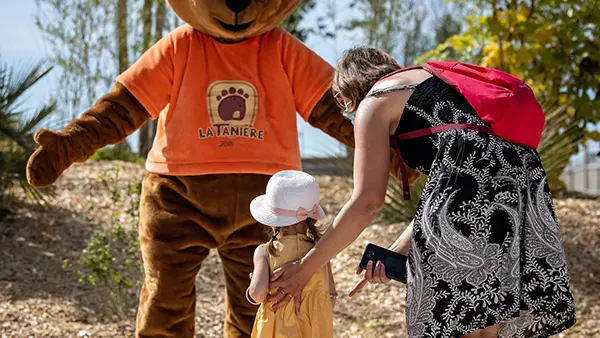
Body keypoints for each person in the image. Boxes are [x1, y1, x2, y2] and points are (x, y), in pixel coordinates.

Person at [267, 47, 577, 338]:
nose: (350, 114)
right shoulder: (435, 83)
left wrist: (304, 269)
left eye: (345, 106)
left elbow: (366, 201)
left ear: (346, 92)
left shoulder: (375, 101)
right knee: (483, 316)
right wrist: (398, 251)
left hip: (473, 180)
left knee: (457, 317)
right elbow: (448, 191)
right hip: (521, 175)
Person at [246, 170, 337, 337]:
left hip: (276, 328)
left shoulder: (264, 252)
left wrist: (252, 287)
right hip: (314, 328)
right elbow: (331, 298)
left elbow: (258, 295)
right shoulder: (321, 251)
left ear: (272, 220)